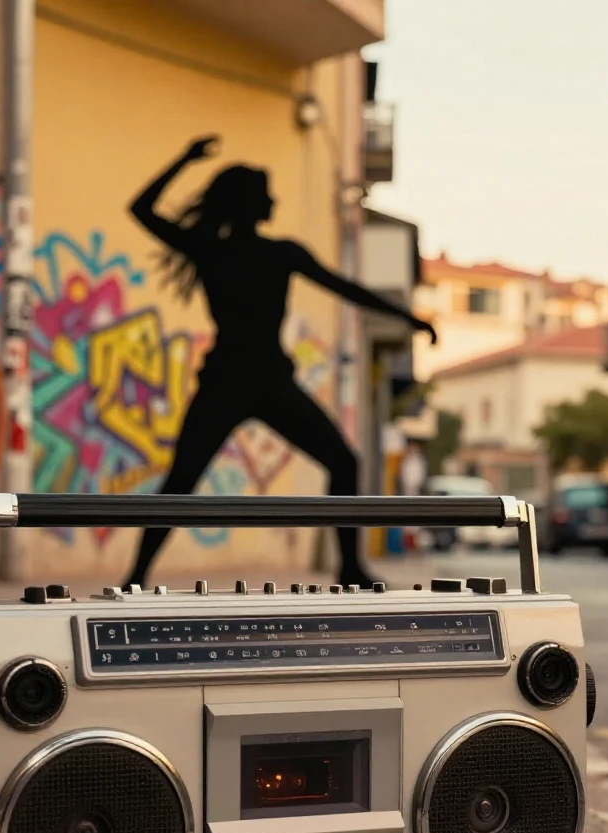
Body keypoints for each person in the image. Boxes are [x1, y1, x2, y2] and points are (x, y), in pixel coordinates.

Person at [121, 135, 437, 589]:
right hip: (258, 380)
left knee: (181, 483)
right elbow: (346, 288)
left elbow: (142, 208)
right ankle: (347, 565)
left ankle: (136, 574)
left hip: (235, 380)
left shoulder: (213, 248)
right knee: (339, 463)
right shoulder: (273, 252)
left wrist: (185, 160)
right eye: (267, 194)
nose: (275, 200)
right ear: (250, 204)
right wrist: (408, 318)